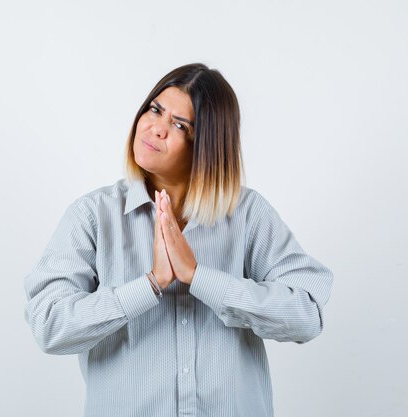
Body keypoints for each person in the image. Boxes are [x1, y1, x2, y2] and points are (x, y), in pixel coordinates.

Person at [24, 63, 333, 417]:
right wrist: (150, 285)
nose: (156, 128)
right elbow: (49, 325)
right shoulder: (93, 215)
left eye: (179, 125)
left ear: (206, 146)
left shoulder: (248, 213)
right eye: (155, 110)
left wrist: (201, 278)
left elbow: (307, 314)